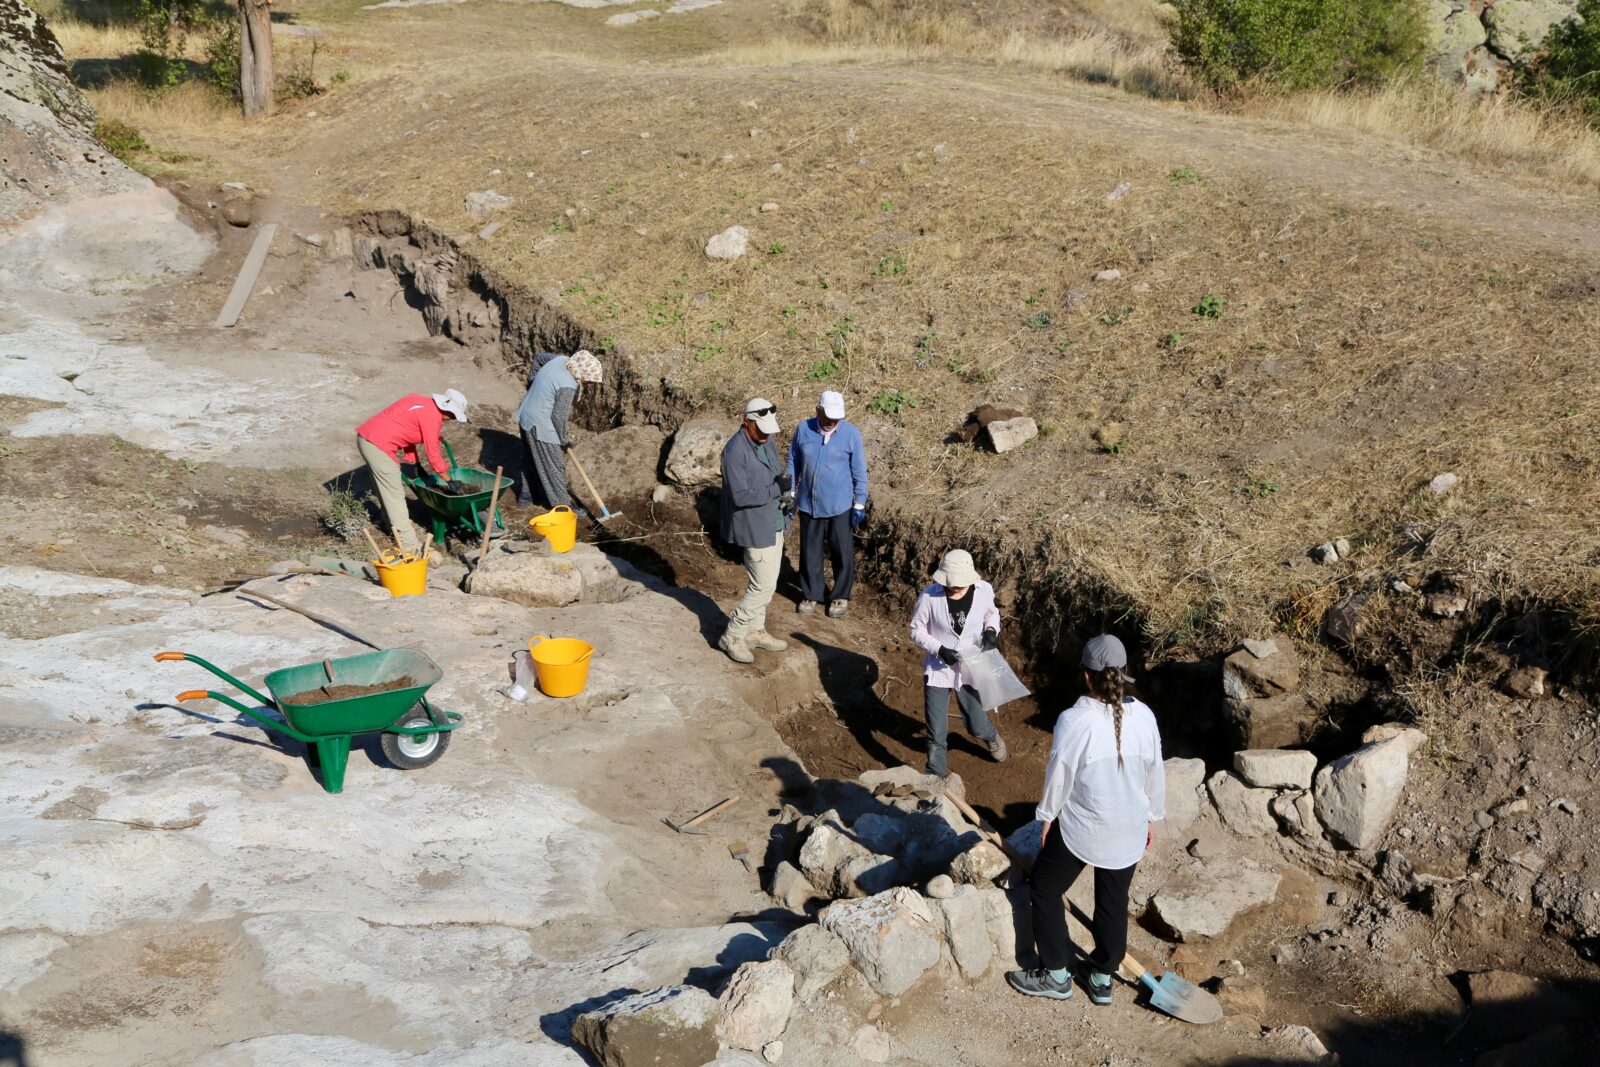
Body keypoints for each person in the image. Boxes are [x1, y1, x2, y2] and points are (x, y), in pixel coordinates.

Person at [1006, 634, 1165, 1006]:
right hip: (1129, 827)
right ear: (1124, 673)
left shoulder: (1075, 720)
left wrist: (1046, 817)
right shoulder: (1144, 715)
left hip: (1084, 828)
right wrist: (1151, 816)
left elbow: (1059, 776)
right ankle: (1101, 977)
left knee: (1045, 888)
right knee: (1113, 902)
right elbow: (1155, 771)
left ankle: (1057, 973)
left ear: (1087, 676)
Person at [909, 549, 1008, 776]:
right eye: (949, 584)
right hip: (939, 669)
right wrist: (939, 649)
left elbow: (991, 614)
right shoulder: (929, 597)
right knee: (936, 734)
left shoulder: (984, 591)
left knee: (975, 723)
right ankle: (936, 778)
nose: (952, 588)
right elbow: (916, 630)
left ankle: (990, 736)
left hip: (971, 665)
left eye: (958, 585)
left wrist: (991, 631)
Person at [717, 397, 792, 664]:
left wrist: (785, 492)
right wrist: (777, 489)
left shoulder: (766, 439)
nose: (766, 436)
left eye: (769, 431)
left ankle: (755, 631)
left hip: (774, 520)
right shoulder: (735, 452)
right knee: (763, 586)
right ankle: (733, 635)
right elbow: (739, 496)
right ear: (747, 422)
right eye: (760, 430)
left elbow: (775, 471)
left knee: (766, 583)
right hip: (755, 525)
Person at [785, 390, 868, 618]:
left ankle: (840, 596)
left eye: (837, 418)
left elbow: (859, 470)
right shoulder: (804, 429)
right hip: (810, 503)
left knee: (841, 550)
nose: (832, 421)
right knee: (810, 552)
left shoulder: (851, 435)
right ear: (817, 410)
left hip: (839, 504)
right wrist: (790, 490)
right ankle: (812, 594)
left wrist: (860, 502)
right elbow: (793, 460)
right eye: (828, 416)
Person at [355, 388, 467, 557]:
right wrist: (449, 480)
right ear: (447, 409)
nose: (450, 420)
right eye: (452, 416)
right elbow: (433, 454)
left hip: (367, 438)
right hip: (379, 445)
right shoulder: (433, 418)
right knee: (395, 496)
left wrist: (414, 461)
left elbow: (405, 426)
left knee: (385, 489)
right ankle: (410, 547)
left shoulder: (418, 399)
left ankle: (389, 524)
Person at [516, 349, 604, 509]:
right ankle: (563, 506)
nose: (590, 385)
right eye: (589, 381)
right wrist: (563, 441)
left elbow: (538, 357)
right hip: (540, 423)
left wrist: (532, 383)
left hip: (526, 413)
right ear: (581, 371)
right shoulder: (568, 384)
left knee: (531, 458)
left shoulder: (562, 360)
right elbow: (558, 417)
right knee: (555, 464)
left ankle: (526, 495)